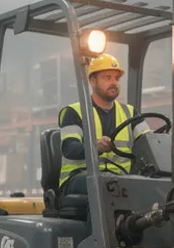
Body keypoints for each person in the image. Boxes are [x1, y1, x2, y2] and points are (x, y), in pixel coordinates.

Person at [57, 53, 148, 195]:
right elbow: (69, 148)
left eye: (116, 78)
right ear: (93, 81)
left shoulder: (130, 113)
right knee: (106, 185)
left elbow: (148, 142)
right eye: (107, 78)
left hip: (118, 179)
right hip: (78, 178)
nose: (114, 82)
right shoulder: (75, 112)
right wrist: (95, 147)